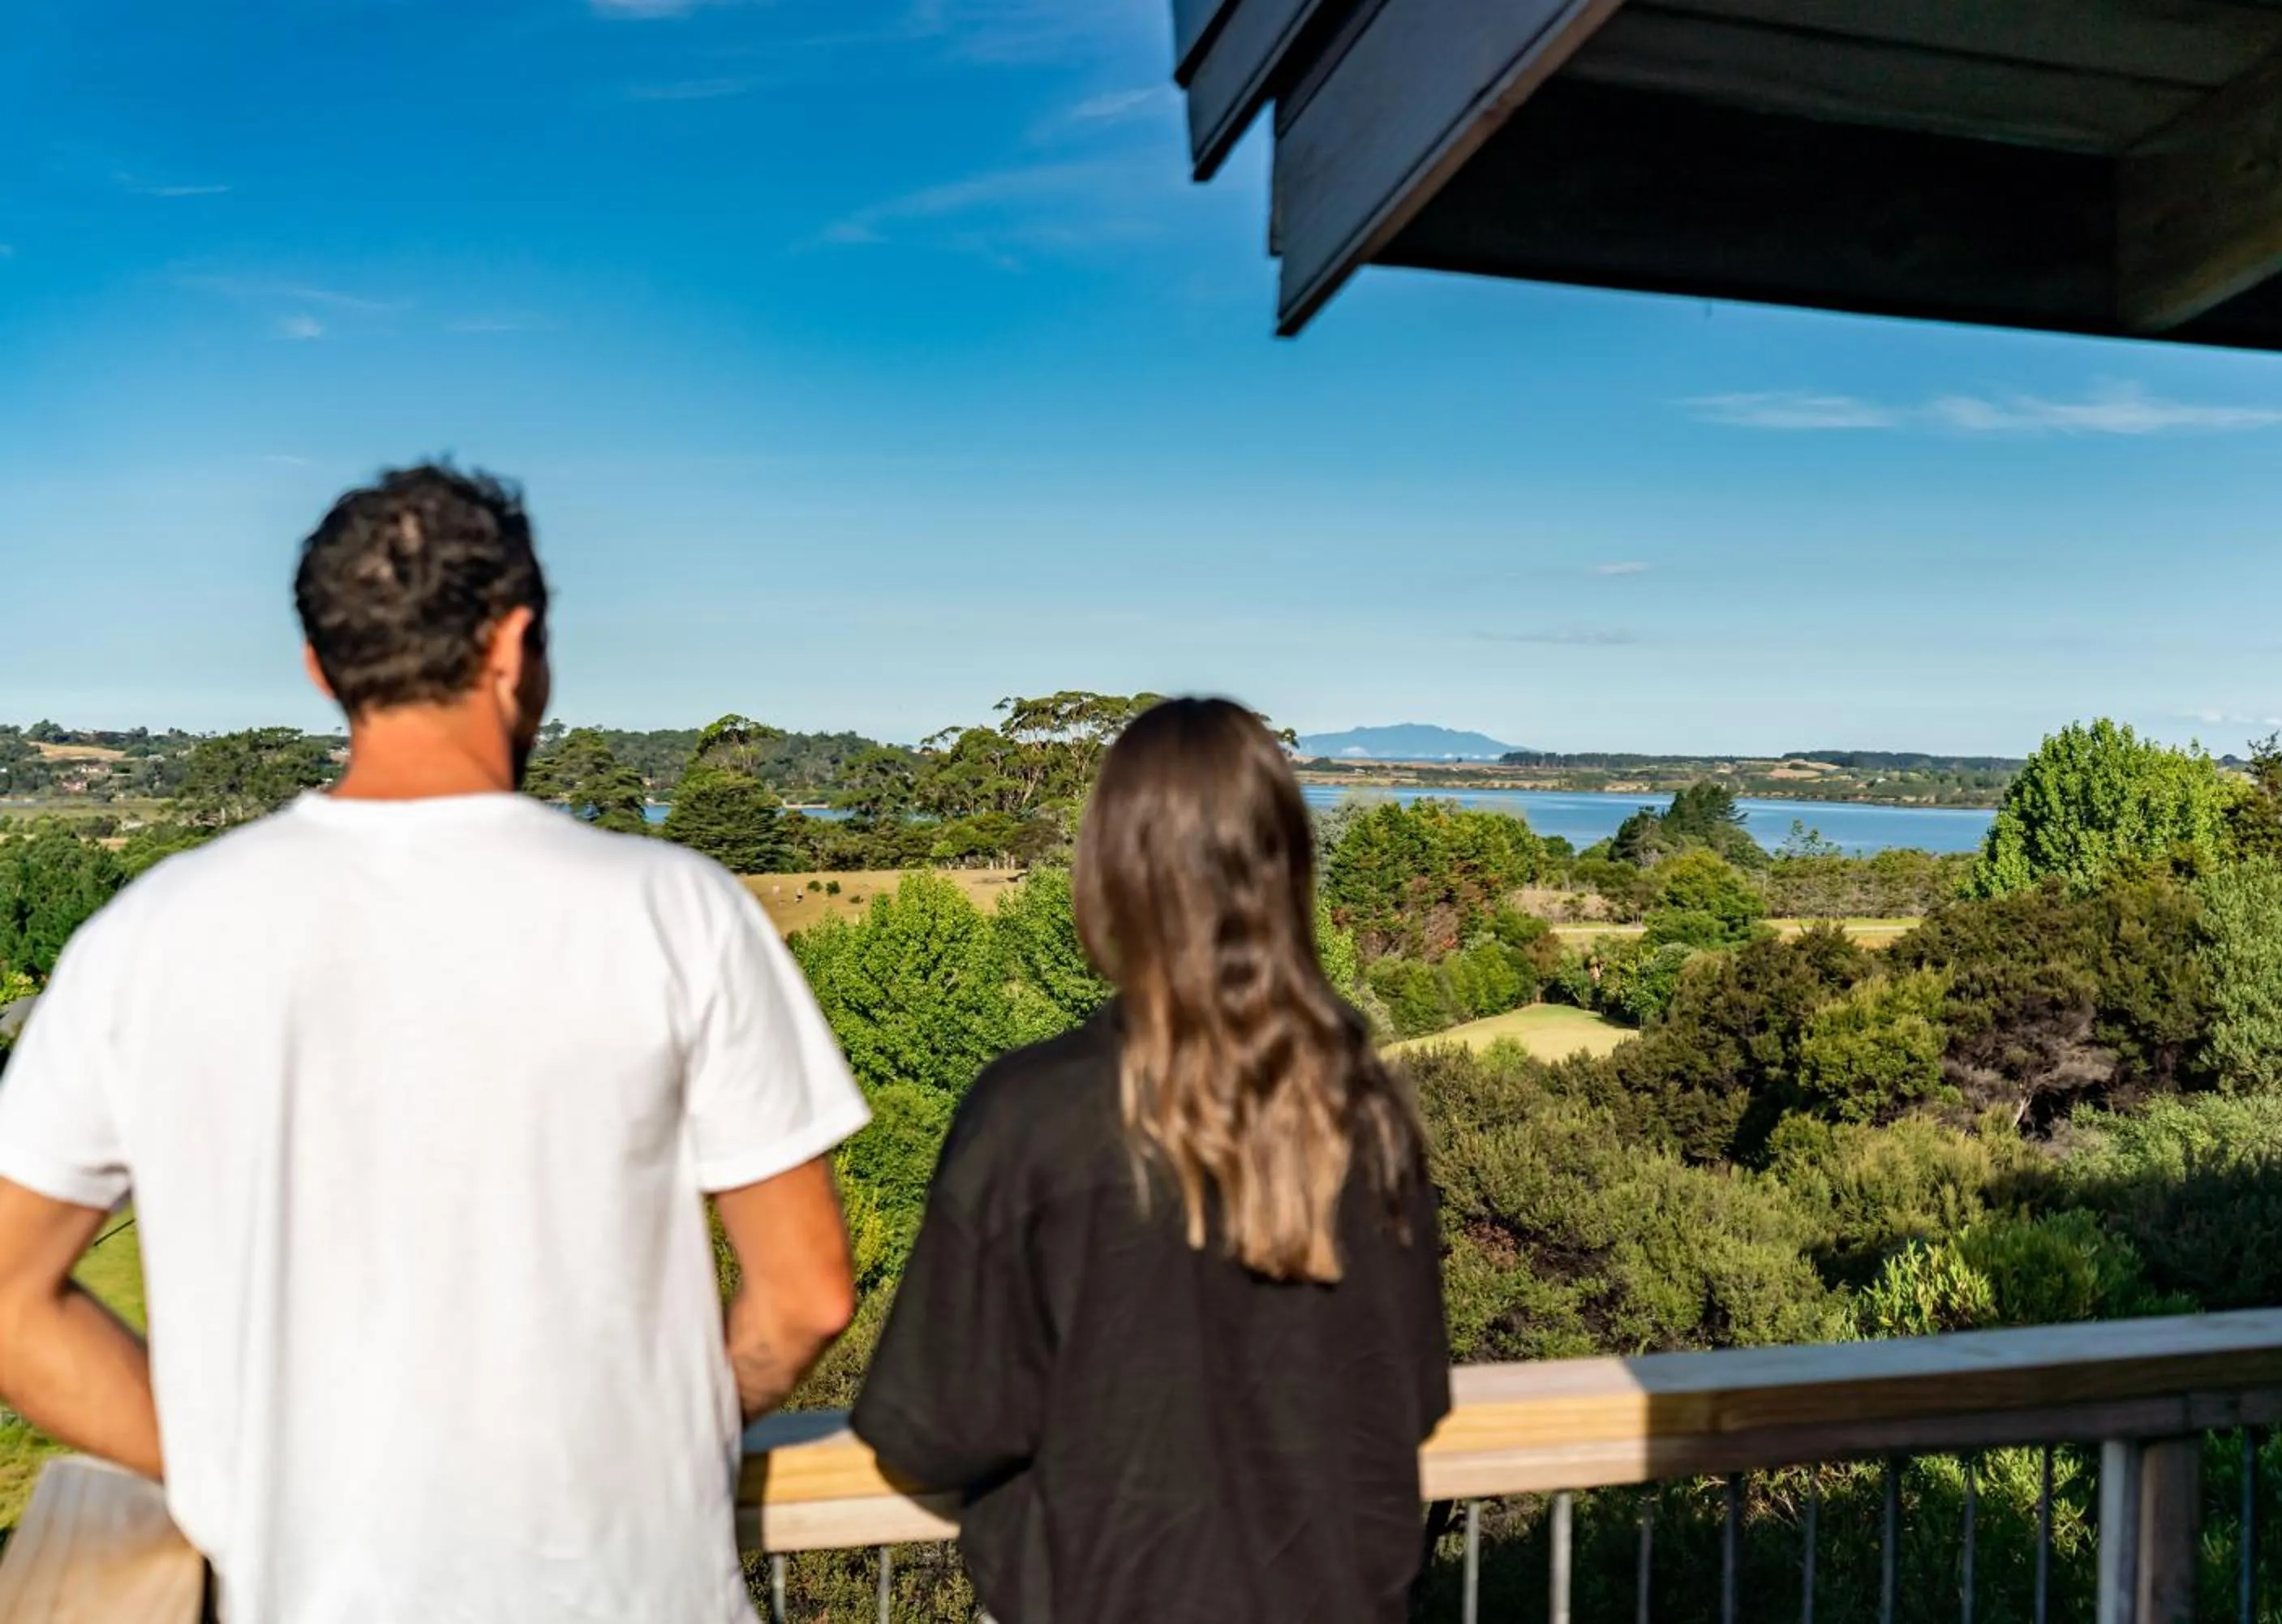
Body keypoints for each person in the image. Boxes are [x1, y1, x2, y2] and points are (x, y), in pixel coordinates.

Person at [0, 466, 867, 1623]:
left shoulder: (148, 935)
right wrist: (668, 1431)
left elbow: (9, 1296)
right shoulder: (674, 907)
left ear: (321, 667)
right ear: (515, 646)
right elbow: (806, 1294)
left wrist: (243, 1468)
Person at [853, 697, 1450, 1624]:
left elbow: (932, 1429)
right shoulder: (1363, 1118)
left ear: (1110, 874)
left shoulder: (1031, 1115)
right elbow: (1404, 1404)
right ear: (1287, 871)